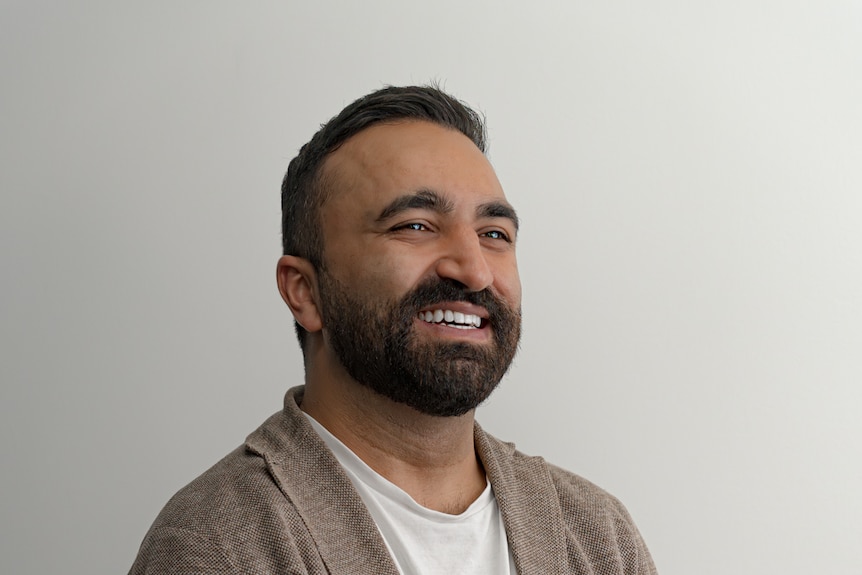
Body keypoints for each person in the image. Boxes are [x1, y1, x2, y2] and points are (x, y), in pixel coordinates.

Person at [128, 85, 658, 575]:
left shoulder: (596, 536)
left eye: (494, 233)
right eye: (415, 226)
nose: (473, 269)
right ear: (304, 293)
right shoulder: (218, 545)